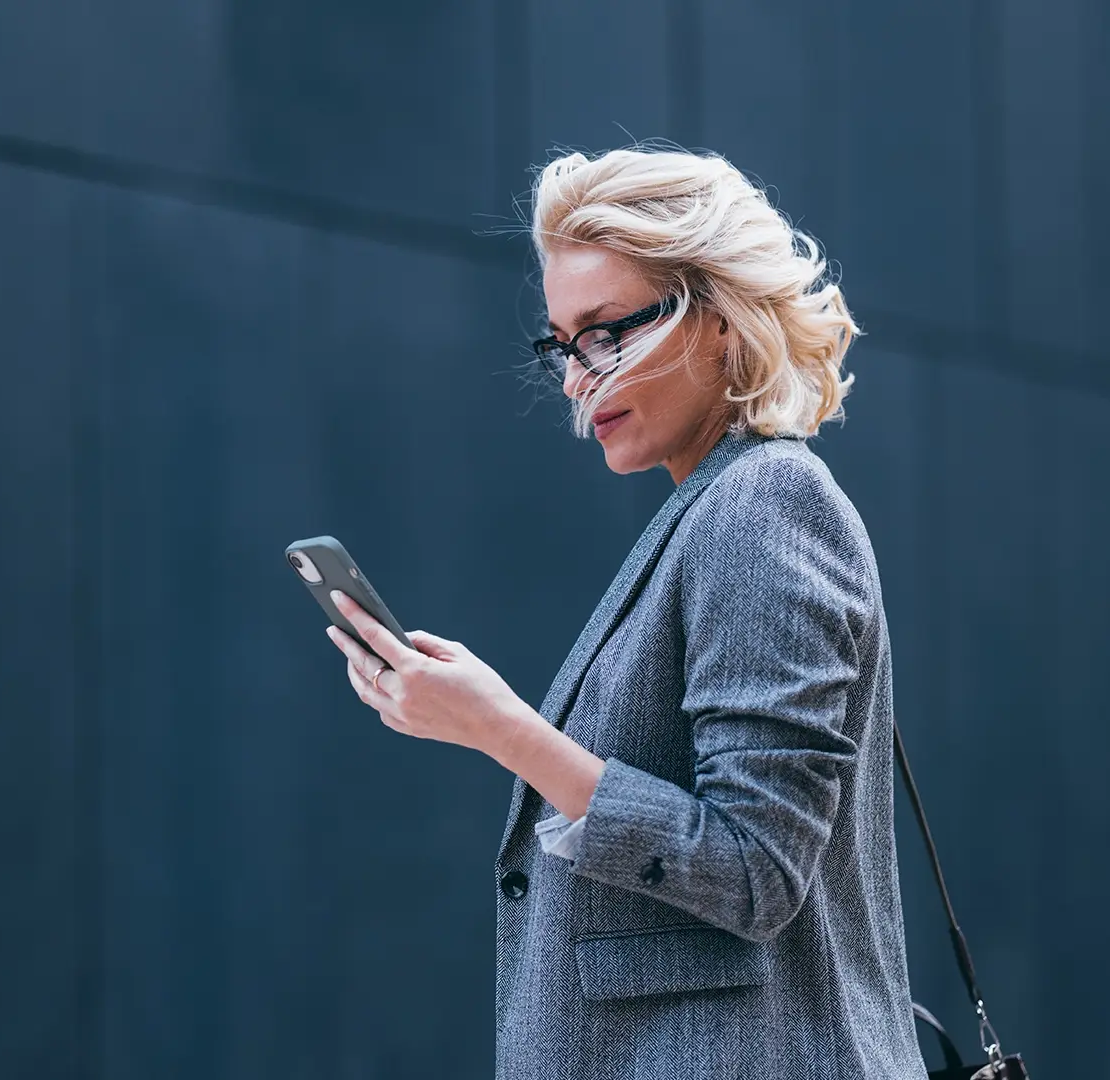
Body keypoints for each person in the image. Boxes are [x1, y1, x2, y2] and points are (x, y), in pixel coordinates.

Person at [325, 146, 924, 1079]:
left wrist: (504, 730)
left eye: (604, 334)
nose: (577, 379)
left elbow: (755, 870)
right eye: (564, 346)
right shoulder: (718, 508)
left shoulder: (765, 504)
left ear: (718, 318)